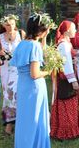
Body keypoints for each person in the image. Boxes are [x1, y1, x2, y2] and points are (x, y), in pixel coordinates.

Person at [10, 13, 52, 148]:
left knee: (25, 120)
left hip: (23, 85)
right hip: (34, 88)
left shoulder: (22, 44)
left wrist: (43, 39)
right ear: (42, 30)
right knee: (36, 119)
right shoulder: (35, 46)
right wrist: (48, 72)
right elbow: (34, 74)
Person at [50, 20, 79, 140]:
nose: (75, 30)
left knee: (70, 101)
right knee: (67, 102)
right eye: (74, 28)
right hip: (66, 79)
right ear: (66, 31)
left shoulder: (66, 43)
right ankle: (67, 131)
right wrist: (73, 81)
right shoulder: (64, 45)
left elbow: (67, 59)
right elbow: (65, 65)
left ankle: (72, 128)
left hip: (67, 77)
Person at [0, 14, 24, 135]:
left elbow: (26, 49)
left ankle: (20, 121)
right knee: (7, 94)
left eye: (12, 24)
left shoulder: (21, 34)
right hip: (5, 68)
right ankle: (8, 122)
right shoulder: (0, 37)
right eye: (8, 25)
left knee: (17, 92)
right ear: (3, 25)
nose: (10, 27)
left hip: (19, 68)